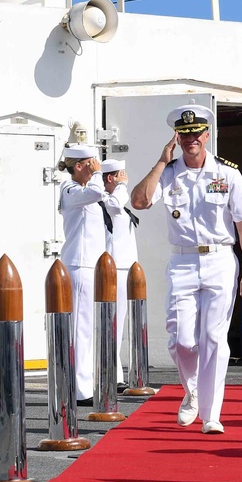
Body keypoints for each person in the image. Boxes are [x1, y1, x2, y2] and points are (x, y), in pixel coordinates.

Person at [130, 104, 242, 434]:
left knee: (214, 337)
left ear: (207, 134)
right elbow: (140, 202)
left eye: (196, 134)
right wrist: (160, 161)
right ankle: (192, 391)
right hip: (183, 261)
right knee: (181, 339)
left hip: (219, 259)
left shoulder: (227, 174)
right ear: (178, 138)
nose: (191, 140)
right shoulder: (170, 173)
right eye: (184, 135)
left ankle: (211, 414)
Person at [58, 144, 107, 407]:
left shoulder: (82, 191)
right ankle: (78, 389)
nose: (96, 166)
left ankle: (83, 385)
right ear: (79, 166)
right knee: (80, 329)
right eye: (92, 162)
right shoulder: (71, 189)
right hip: (79, 265)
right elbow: (98, 192)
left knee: (86, 329)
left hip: (88, 266)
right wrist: (98, 174)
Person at [100, 158, 139, 390]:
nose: (125, 178)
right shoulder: (106, 199)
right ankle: (110, 376)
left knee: (119, 323)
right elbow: (114, 206)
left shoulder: (116, 200)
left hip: (125, 268)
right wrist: (122, 186)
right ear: (110, 178)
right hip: (114, 268)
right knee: (111, 323)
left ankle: (115, 374)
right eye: (120, 175)